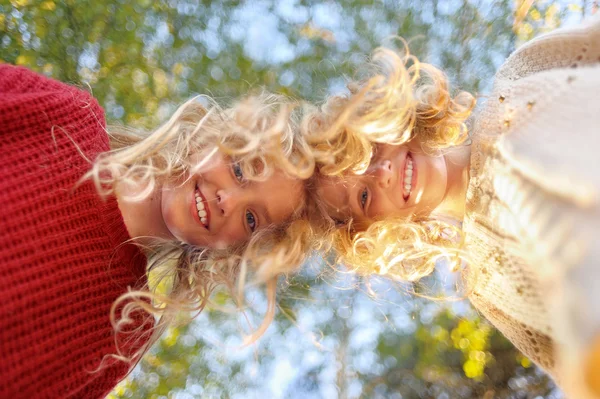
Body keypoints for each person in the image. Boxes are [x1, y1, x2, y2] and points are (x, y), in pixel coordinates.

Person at [304, 14, 600, 398]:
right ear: (374, 233)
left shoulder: (519, 76)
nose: (382, 173)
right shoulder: (489, 290)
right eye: (364, 197)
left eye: (370, 150)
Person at [0, 65, 315, 398]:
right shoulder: (64, 115)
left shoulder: (122, 333)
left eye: (251, 219)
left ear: (235, 251)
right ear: (214, 138)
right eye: (239, 169)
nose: (229, 201)